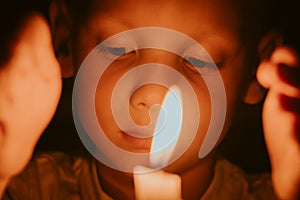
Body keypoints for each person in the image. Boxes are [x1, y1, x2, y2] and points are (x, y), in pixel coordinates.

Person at [1, 0, 299, 199]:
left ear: (254, 70)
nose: (153, 94)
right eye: (118, 50)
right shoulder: (27, 189)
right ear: (65, 40)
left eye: (197, 59)